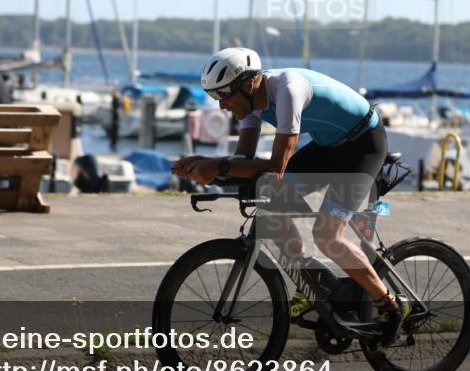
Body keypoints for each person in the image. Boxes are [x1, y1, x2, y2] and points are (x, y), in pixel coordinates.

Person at [171, 47, 410, 346]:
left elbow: (275, 167)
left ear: (248, 85)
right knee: (271, 205)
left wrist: (218, 166)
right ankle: (314, 282)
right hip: (329, 146)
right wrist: (202, 163)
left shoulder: (288, 90)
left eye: (224, 97)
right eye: (216, 98)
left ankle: (390, 305)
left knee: (327, 236)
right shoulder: (250, 102)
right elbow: (242, 158)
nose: (222, 107)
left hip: (363, 146)